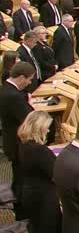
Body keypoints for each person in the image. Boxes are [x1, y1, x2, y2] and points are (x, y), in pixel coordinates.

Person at [17, 111, 61, 233]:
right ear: (38, 128)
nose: (48, 131)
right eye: (46, 128)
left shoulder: (24, 144)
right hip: (44, 199)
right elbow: (56, 173)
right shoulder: (39, 150)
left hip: (30, 194)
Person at [0, 62, 35, 197]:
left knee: (19, 174)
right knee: (21, 177)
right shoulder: (13, 95)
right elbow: (29, 117)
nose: (29, 83)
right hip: (17, 142)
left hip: (12, 139)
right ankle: (21, 208)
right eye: (29, 79)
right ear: (21, 78)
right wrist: (30, 105)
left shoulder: (7, 88)